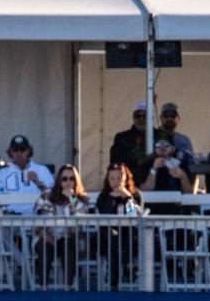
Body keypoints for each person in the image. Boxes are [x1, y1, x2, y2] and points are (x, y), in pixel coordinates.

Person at [33, 164, 89, 287]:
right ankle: (43, 288)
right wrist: (49, 238)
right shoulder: (46, 196)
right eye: (64, 179)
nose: (68, 182)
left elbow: (81, 221)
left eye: (71, 178)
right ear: (59, 180)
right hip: (47, 237)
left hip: (70, 238)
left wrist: (72, 199)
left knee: (68, 244)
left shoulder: (82, 199)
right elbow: (37, 222)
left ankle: (68, 287)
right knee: (44, 246)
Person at [93, 160, 143, 289]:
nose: (116, 182)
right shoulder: (103, 196)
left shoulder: (135, 195)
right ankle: (126, 267)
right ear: (108, 180)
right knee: (112, 237)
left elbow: (135, 214)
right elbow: (104, 217)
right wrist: (111, 198)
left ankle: (119, 276)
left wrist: (127, 197)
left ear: (126, 178)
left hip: (129, 236)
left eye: (119, 178)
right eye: (112, 179)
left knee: (125, 238)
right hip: (107, 237)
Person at [109, 103, 150, 181]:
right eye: (138, 116)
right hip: (130, 182)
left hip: (157, 184)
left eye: (145, 116)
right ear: (133, 118)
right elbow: (115, 161)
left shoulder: (159, 135)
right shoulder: (122, 137)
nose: (141, 119)